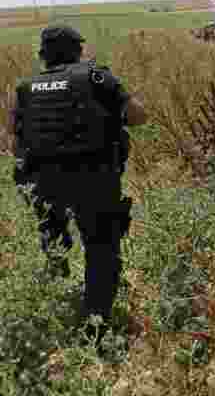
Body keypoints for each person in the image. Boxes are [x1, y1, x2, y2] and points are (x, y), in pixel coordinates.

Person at [8, 25, 147, 339]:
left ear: (43, 56)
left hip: (42, 183)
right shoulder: (96, 77)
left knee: (54, 243)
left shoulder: (26, 88)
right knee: (100, 247)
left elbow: (13, 142)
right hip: (93, 179)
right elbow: (139, 116)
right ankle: (95, 326)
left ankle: (55, 307)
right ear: (78, 51)